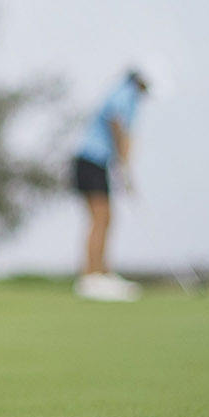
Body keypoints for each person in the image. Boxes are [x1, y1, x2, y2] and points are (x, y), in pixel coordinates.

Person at [72, 68, 150, 301]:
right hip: (90, 161)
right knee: (100, 217)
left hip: (97, 162)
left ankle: (101, 274)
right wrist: (123, 164)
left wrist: (124, 166)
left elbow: (126, 135)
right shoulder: (124, 93)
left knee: (107, 217)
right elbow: (115, 122)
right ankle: (91, 277)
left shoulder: (129, 95)